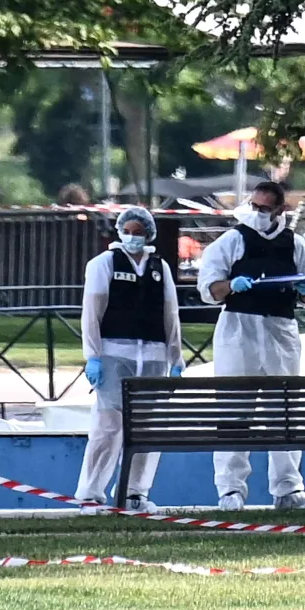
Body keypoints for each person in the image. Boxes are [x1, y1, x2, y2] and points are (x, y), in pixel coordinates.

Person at [197, 181, 305, 510]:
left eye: (265, 209)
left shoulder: (294, 244)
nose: (257, 213)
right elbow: (208, 286)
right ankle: (230, 490)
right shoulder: (233, 240)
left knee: (283, 411)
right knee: (234, 411)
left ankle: (287, 488)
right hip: (239, 330)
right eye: (254, 207)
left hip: (280, 330)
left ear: (281, 210)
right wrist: (231, 286)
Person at [75, 206, 184, 510]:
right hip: (113, 354)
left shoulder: (159, 268)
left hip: (152, 356)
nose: (133, 237)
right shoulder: (104, 263)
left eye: (139, 232)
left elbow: (170, 314)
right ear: (120, 231)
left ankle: (135, 493)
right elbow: (92, 313)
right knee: (107, 427)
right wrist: (93, 356)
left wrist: (175, 357)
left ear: (149, 234)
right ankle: (91, 493)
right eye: (128, 231)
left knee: (148, 428)